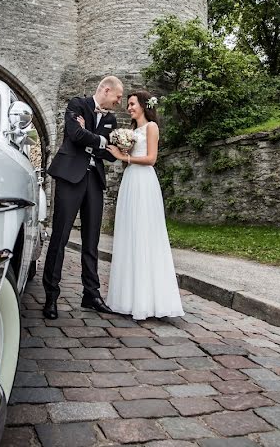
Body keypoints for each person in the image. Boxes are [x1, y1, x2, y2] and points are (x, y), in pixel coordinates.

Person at [41, 76, 124, 319]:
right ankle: (51, 296)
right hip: (69, 176)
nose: (119, 101)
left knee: (92, 240)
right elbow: (74, 134)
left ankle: (91, 294)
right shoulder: (77, 104)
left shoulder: (110, 119)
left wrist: (90, 137)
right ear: (106, 90)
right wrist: (98, 140)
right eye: (118, 96)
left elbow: (110, 155)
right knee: (60, 236)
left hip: (94, 181)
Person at [104, 91, 184, 320]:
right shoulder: (132, 131)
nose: (128, 108)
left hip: (144, 181)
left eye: (132, 104)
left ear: (143, 106)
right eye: (128, 104)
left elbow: (151, 159)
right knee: (129, 234)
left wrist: (124, 157)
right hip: (130, 181)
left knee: (145, 234)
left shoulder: (151, 128)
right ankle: (128, 298)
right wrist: (123, 154)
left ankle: (148, 300)